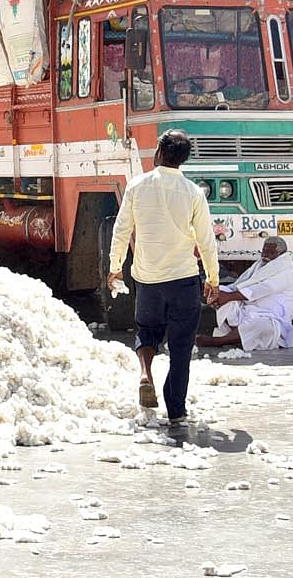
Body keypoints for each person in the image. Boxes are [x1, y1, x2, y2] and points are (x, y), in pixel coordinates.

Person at [108, 129, 219, 425]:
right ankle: (176, 411)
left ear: (159, 152)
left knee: (147, 330)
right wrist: (213, 279)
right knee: (181, 346)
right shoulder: (194, 193)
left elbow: (121, 230)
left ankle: (145, 373)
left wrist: (115, 266)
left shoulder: (137, 186)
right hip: (183, 279)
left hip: (147, 277)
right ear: (184, 160)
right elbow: (207, 240)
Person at [197, 236, 293, 350]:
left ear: (281, 254)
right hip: (247, 312)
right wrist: (217, 295)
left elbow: (261, 289)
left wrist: (229, 297)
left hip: (271, 319)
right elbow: (240, 284)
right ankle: (238, 335)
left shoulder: (287, 273)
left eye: (271, 252)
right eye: (264, 251)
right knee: (223, 291)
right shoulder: (259, 266)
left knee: (261, 324)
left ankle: (219, 341)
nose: (266, 255)